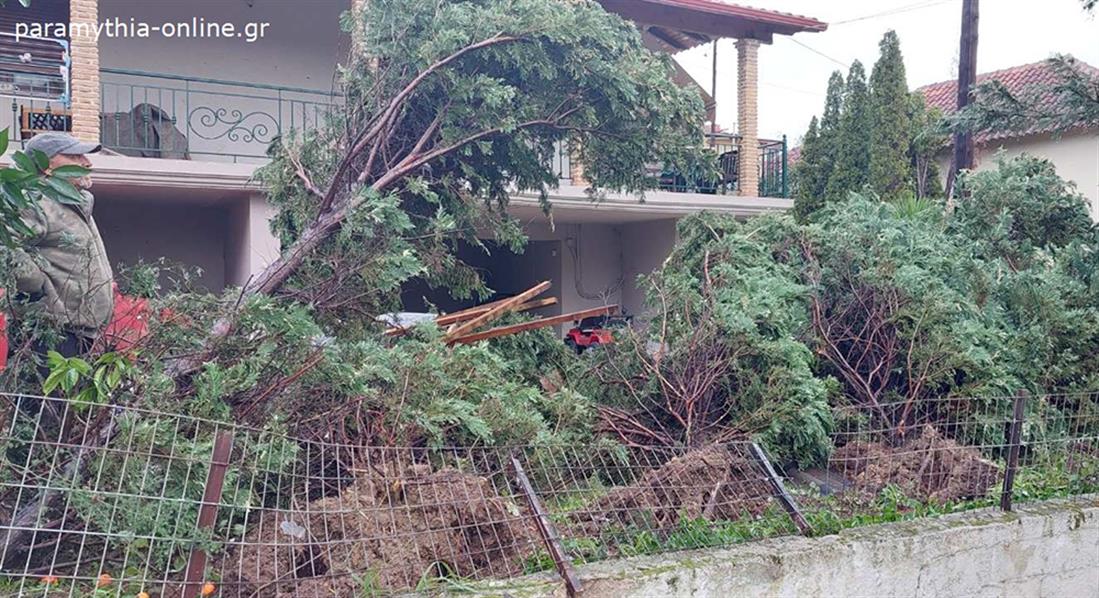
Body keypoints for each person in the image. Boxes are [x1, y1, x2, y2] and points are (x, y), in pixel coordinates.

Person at [9, 132, 114, 359]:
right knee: (44, 396)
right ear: (46, 167)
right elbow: (4, 246)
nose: (87, 163)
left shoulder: (73, 203)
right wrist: (36, 285)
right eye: (75, 157)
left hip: (79, 334)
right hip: (48, 336)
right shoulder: (33, 201)